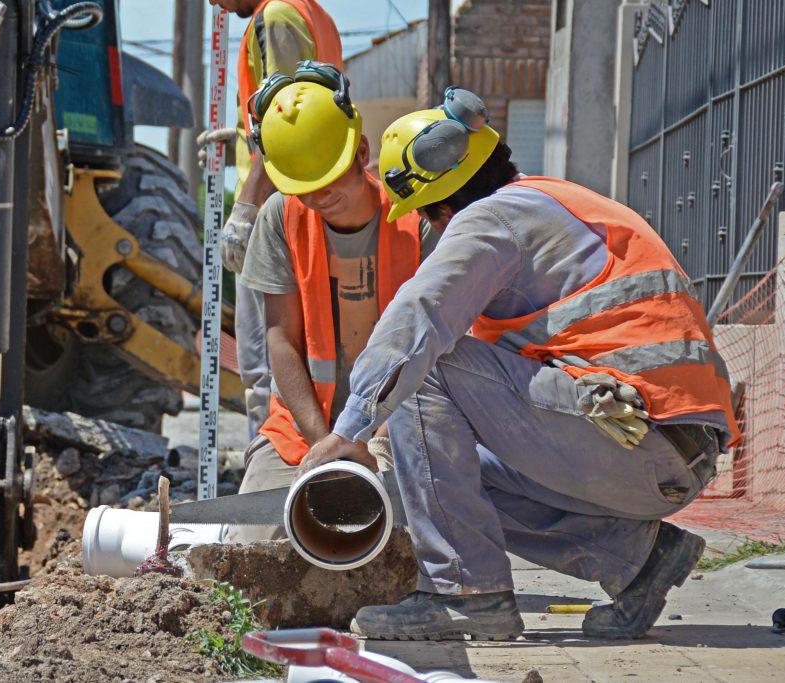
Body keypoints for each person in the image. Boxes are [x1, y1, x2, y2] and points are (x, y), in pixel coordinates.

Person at [301, 88, 740, 641]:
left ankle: (466, 593)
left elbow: (420, 317)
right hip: (661, 448)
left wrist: (349, 432)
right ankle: (639, 558)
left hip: (639, 437)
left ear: (439, 206)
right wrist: (397, 453)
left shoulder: (491, 220)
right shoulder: (544, 203)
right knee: (445, 477)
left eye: (429, 219)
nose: (434, 232)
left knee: (431, 361)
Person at [225, 63, 440, 543]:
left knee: (415, 546)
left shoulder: (416, 222)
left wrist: (376, 444)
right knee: (250, 548)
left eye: (329, 179)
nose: (319, 197)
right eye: (304, 185)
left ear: (361, 152)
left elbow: (431, 346)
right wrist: (326, 444)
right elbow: (281, 340)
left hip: (402, 425)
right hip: (303, 428)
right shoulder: (282, 218)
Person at [203, 0, 343, 439]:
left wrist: (244, 211)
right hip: (302, 204)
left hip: (276, 214)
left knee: (263, 370)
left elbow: (288, 125)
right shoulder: (309, 11)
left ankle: (268, 479)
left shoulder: (276, 16)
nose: (213, 4)